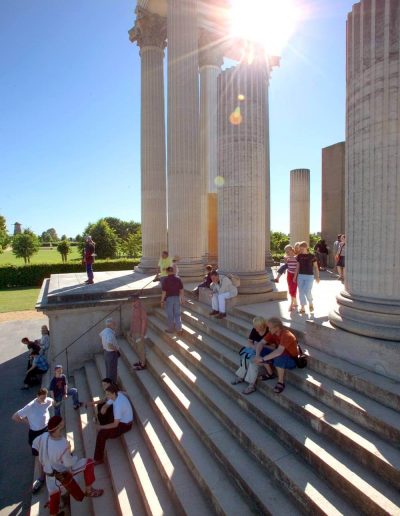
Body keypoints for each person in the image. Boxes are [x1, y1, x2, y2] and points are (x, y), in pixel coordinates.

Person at [33, 415, 103, 515]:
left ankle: (55, 513)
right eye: (61, 422)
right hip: (61, 473)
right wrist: (70, 452)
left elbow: (34, 445)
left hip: (48, 473)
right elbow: (68, 463)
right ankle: (89, 490)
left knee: (54, 496)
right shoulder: (62, 443)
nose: (63, 422)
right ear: (58, 426)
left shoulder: (44, 436)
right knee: (89, 463)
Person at [12, 388, 54, 493]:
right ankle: (41, 477)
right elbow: (15, 417)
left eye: (45, 397)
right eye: (42, 398)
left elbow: (52, 402)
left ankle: (52, 468)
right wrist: (28, 422)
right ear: (37, 396)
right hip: (35, 434)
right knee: (38, 456)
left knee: (49, 449)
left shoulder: (47, 401)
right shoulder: (30, 407)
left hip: (46, 430)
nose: (44, 400)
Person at [254, 317, 298, 394]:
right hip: (281, 354)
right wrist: (257, 356)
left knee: (278, 358)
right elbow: (260, 343)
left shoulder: (286, 335)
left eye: (270, 328)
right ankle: (270, 374)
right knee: (262, 349)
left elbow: (279, 352)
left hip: (292, 360)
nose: (268, 329)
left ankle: (280, 382)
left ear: (277, 327)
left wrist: (262, 359)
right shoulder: (272, 333)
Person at [93, 385, 133, 463]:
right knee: (101, 406)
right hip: (120, 419)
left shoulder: (118, 406)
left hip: (125, 425)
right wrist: (104, 407)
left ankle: (98, 459)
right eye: (106, 394)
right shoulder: (118, 394)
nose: (106, 396)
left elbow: (115, 425)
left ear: (113, 393)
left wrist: (101, 427)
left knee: (101, 434)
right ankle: (104, 426)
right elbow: (108, 404)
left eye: (108, 394)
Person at [231, 317, 271, 386]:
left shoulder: (269, 332)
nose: (255, 328)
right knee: (245, 359)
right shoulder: (255, 330)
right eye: (254, 326)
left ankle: (251, 385)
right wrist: (255, 347)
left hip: (265, 353)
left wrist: (260, 345)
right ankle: (240, 377)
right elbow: (249, 342)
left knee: (253, 363)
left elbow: (273, 347)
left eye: (256, 327)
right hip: (255, 350)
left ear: (261, 326)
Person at [293, 241, 320, 314]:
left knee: (307, 291)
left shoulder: (312, 256)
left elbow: (315, 267)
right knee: (301, 292)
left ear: (306, 248)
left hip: (310, 276)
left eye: (302, 249)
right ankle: (302, 308)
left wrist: (317, 277)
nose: (301, 250)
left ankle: (310, 302)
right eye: (300, 249)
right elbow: (297, 267)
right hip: (300, 276)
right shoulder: (299, 256)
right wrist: (295, 277)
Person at [161, 266, 184, 335]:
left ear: (167, 272)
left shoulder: (165, 280)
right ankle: (179, 329)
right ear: (173, 271)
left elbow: (164, 292)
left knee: (170, 315)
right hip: (177, 298)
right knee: (177, 314)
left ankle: (171, 329)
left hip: (169, 299)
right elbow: (181, 290)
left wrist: (162, 300)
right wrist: (182, 299)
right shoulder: (178, 279)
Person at [129, 295, 148, 370]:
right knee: (137, 347)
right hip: (134, 331)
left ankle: (143, 364)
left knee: (141, 348)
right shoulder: (134, 308)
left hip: (139, 332)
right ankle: (140, 361)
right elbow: (132, 320)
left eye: (133, 301)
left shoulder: (142, 309)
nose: (132, 303)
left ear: (138, 301)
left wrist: (142, 334)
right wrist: (131, 331)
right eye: (132, 301)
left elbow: (144, 322)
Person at [99, 318, 119, 384]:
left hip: (106, 352)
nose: (115, 325)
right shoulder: (109, 333)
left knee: (108, 370)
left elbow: (101, 337)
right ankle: (112, 386)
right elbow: (109, 344)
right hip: (111, 353)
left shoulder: (104, 331)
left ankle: (109, 384)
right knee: (112, 371)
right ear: (110, 325)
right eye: (114, 324)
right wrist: (116, 350)